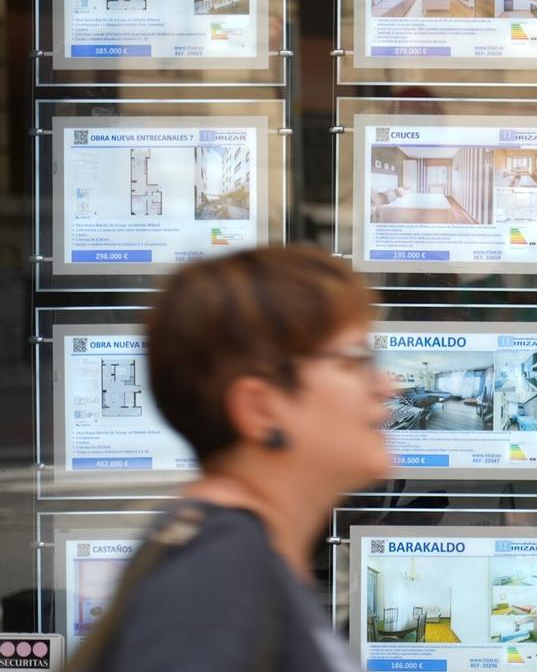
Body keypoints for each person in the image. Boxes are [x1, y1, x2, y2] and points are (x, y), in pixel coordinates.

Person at [67, 246, 392, 672]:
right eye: (356, 361)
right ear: (259, 408)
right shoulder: (217, 578)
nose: (387, 385)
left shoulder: (233, 556)